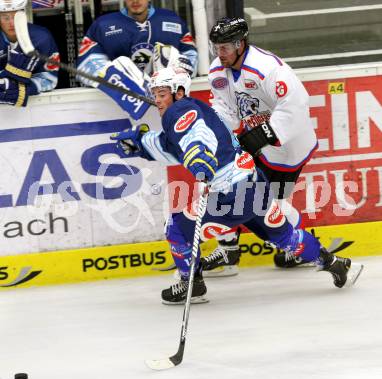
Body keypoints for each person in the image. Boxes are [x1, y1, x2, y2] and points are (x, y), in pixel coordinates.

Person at [110, 66, 363, 305]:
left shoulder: (180, 111)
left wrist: (198, 155)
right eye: (155, 95)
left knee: (176, 228)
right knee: (285, 236)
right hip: (254, 186)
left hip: (231, 195)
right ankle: (334, 263)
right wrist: (141, 142)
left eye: (163, 94)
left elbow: (195, 136)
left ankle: (191, 285)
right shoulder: (198, 109)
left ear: (178, 92)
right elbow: (173, 145)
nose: (158, 101)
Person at [202, 16, 319, 274]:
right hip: (257, 146)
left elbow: (296, 102)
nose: (219, 54)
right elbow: (225, 109)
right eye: (216, 48)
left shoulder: (267, 68)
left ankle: (302, 245)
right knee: (225, 185)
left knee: (270, 204)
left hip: (288, 148)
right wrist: (214, 128)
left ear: (240, 44)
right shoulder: (218, 71)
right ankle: (229, 249)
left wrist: (264, 134)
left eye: (225, 48)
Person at [77, 0, 198, 81]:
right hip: (123, 103)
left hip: (166, 97)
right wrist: (119, 80)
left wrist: (175, 76)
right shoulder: (102, 25)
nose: (135, 1)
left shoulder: (172, 19)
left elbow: (190, 57)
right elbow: (86, 65)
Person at [0, 0, 59, 107]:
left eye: (17, 16)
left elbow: (49, 79)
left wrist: (24, 88)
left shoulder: (42, 37)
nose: (12, 23)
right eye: (5, 17)